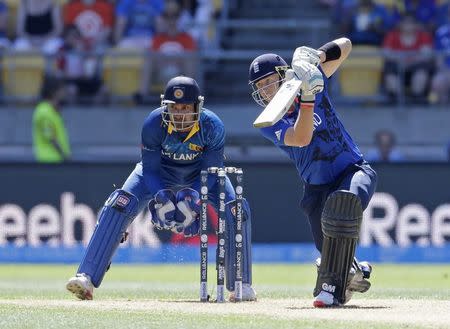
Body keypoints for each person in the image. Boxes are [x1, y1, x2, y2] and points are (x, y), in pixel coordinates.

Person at [66, 76, 256, 301]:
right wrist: (161, 197)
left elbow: (212, 170)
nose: (180, 113)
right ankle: (86, 277)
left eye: (186, 107)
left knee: (236, 209)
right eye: (174, 108)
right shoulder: (154, 123)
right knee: (119, 203)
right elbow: (150, 170)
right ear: (165, 106)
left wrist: (193, 200)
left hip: (203, 175)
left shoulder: (212, 125)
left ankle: (241, 284)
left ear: (198, 106)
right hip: (160, 173)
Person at [248, 38, 377, 307]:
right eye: (259, 87)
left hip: (352, 170)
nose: (265, 91)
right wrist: (307, 97)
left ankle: (332, 284)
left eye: (268, 81)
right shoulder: (270, 120)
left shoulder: (311, 80)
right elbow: (302, 137)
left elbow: (346, 45)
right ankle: (353, 272)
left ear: (284, 75)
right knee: (332, 249)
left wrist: (313, 59)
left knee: (343, 206)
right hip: (316, 189)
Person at [32, 76, 71, 163]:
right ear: (54, 92)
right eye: (62, 89)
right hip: (49, 161)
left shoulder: (53, 110)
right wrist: (65, 156)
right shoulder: (44, 111)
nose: (64, 92)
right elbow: (50, 136)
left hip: (57, 160)